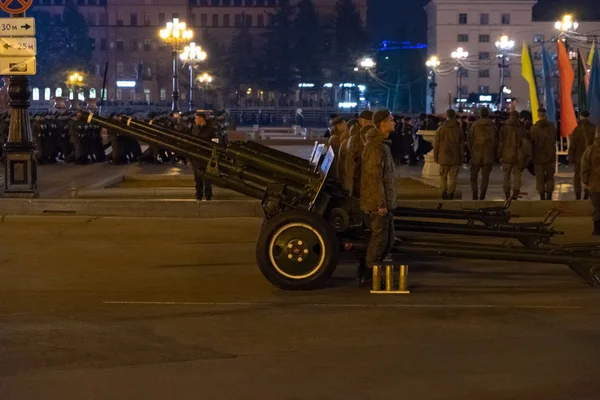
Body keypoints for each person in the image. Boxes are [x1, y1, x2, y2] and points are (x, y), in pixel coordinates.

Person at [360, 109, 396, 287]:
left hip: (386, 202)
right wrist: (381, 204)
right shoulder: (375, 147)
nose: (394, 122)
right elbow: (374, 178)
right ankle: (368, 275)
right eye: (391, 120)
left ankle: (371, 272)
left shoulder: (381, 145)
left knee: (388, 239)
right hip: (379, 204)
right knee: (380, 239)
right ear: (382, 124)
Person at [467, 107, 497, 200]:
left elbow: (469, 140)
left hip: (476, 154)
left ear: (480, 115)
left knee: (473, 176)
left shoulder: (474, 125)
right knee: (485, 177)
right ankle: (482, 195)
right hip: (488, 155)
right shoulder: (493, 126)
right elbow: (496, 142)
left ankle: (474, 195)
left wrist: (471, 151)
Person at [434, 109, 464, 199]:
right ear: (454, 116)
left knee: (443, 177)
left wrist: (436, 157)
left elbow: (436, 144)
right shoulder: (458, 129)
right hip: (455, 157)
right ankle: (451, 193)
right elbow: (461, 146)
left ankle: (444, 192)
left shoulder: (441, 129)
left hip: (443, 156)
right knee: (453, 177)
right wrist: (462, 158)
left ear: (446, 115)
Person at [530, 108, 557, 200]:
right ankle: (549, 195)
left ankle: (542, 195)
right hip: (550, 156)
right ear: (545, 115)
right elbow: (554, 139)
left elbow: (531, 143)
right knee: (550, 176)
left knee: (540, 177)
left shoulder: (534, 128)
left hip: (538, 157)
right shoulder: (552, 127)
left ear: (538, 115)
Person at [498, 111, 526, 200]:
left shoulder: (504, 127)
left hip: (506, 155)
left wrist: (500, 155)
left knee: (506, 176)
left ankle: (507, 194)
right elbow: (524, 143)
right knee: (517, 176)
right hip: (518, 156)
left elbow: (500, 143)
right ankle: (515, 194)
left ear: (510, 116)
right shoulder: (521, 128)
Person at [569, 110, 596, 200]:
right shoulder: (593, 128)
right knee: (589, 176)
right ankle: (586, 194)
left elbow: (572, 145)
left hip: (578, 158)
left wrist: (570, 157)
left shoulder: (577, 129)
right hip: (591, 158)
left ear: (580, 116)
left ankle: (577, 195)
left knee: (577, 177)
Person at [345, 110, 373, 197]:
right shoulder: (359, 137)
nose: (374, 125)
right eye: (372, 121)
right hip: (359, 180)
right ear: (364, 121)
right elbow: (361, 159)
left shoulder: (356, 135)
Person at [191, 112, 216, 201]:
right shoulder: (195, 129)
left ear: (201, 119)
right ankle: (199, 195)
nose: (195, 120)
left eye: (196, 118)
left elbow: (214, 144)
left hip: (206, 157)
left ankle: (208, 195)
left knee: (207, 178)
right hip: (196, 157)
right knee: (197, 178)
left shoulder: (211, 130)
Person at [581, 126, 600, 235]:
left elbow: (585, 168)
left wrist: (586, 182)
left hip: (594, 185)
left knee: (597, 208)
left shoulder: (590, 150)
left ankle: (597, 230)